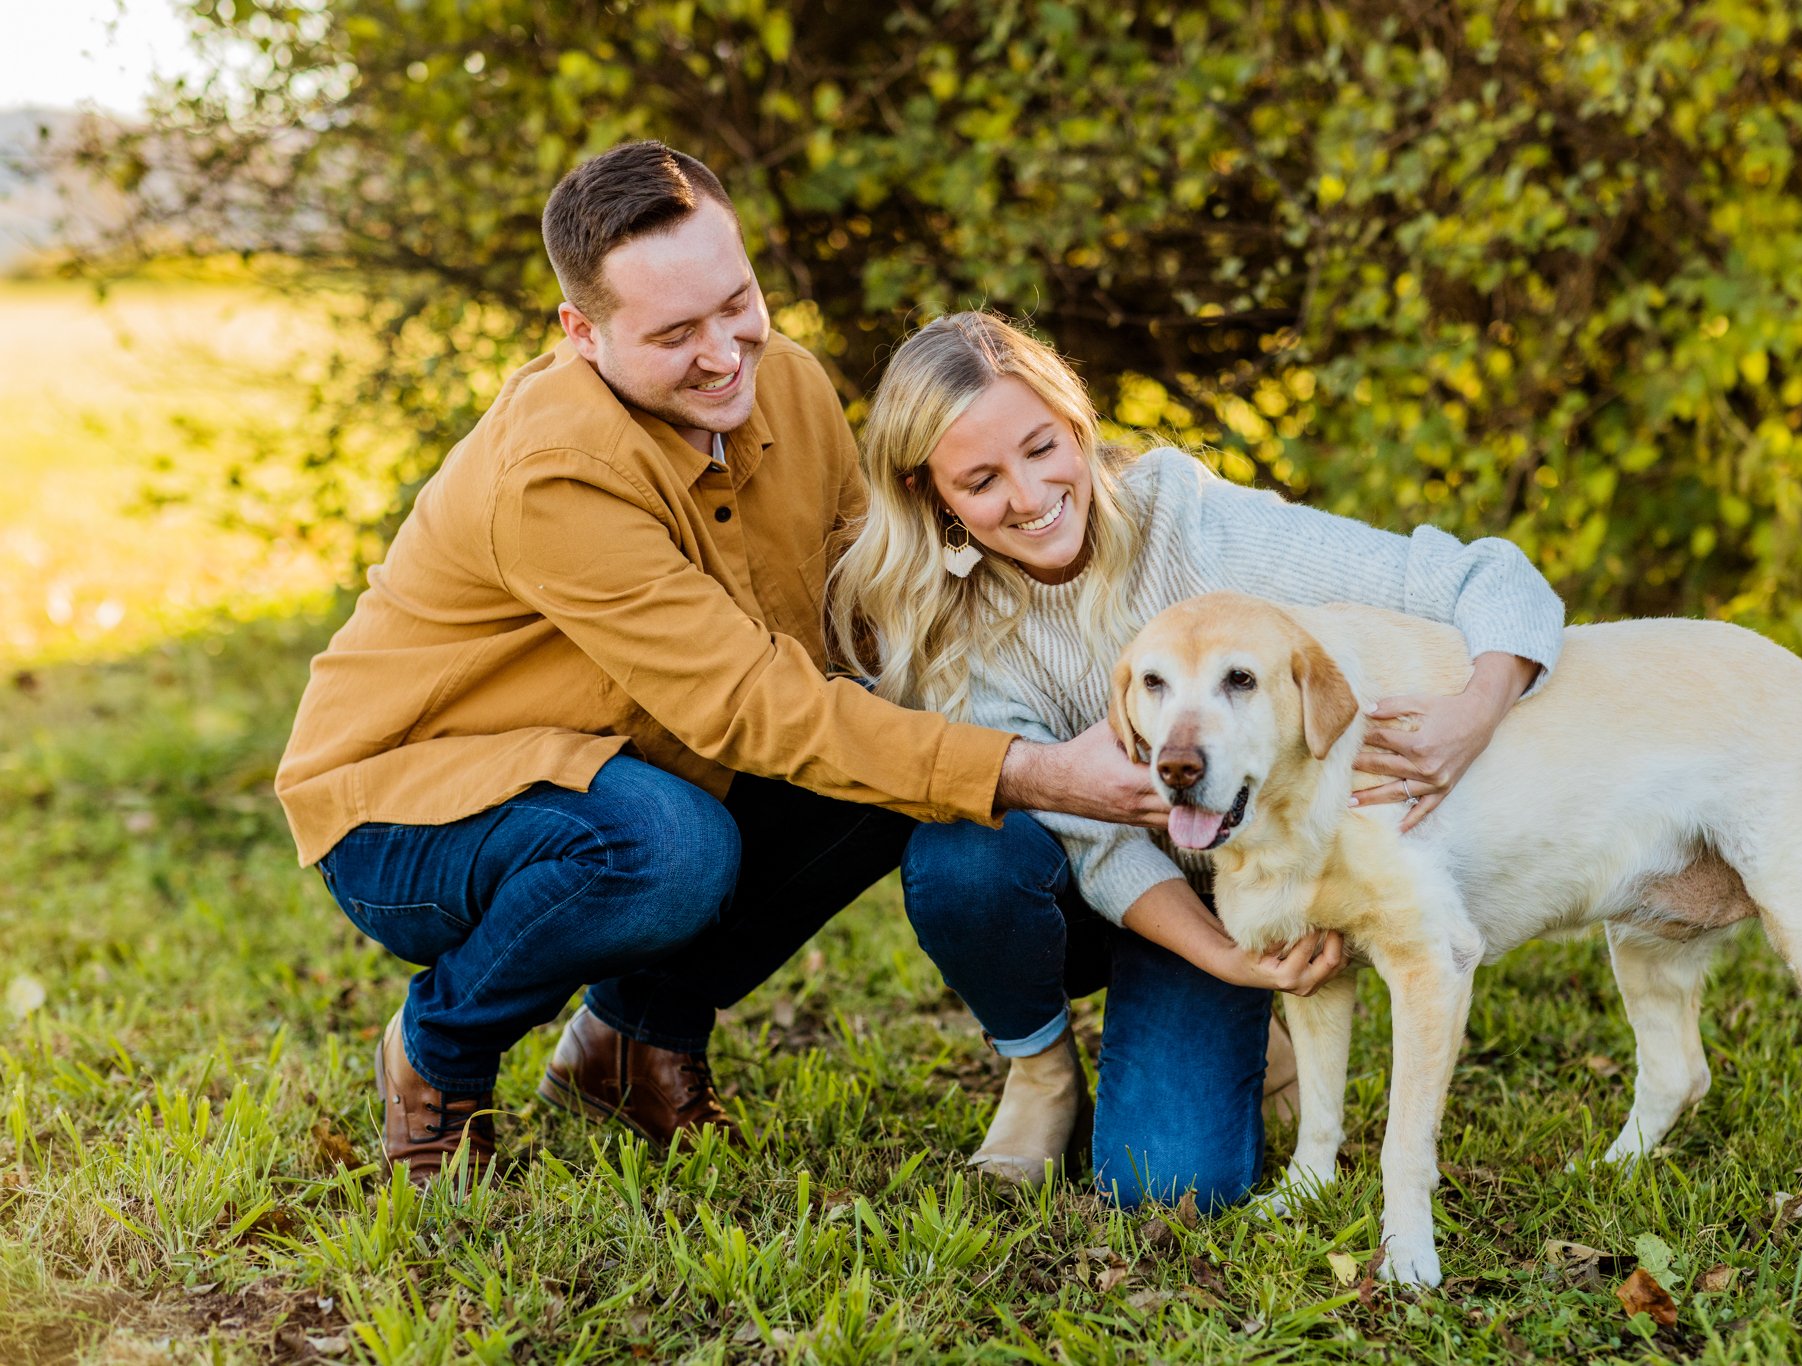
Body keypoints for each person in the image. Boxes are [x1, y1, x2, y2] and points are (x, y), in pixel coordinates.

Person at [274, 144, 1162, 1184]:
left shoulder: (781, 382)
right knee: (666, 848)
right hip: (409, 807)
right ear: (582, 333)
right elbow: (754, 706)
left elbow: (861, 610)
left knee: (885, 759)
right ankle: (439, 1056)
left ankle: (632, 1044)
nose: (722, 352)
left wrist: (1081, 629)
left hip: (617, 761)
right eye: (673, 333)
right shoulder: (559, 475)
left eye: (736, 301)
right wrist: (1034, 770)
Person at [829, 312, 1566, 1210]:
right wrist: (1223, 957)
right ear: (932, 493)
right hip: (1106, 890)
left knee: (1167, 1182)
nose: (1029, 496)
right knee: (960, 859)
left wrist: (1474, 712)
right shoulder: (949, 625)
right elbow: (1096, 843)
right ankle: (1041, 1071)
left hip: (1244, 880)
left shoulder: (1197, 525)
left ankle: (1252, 1041)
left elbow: (1486, 577)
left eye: (1041, 447)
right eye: (981, 480)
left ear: (1076, 423)